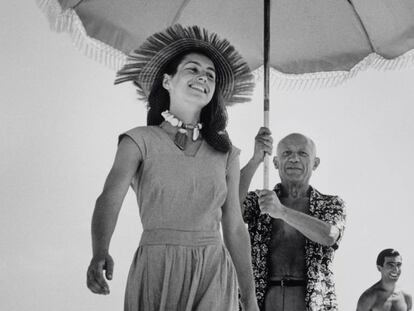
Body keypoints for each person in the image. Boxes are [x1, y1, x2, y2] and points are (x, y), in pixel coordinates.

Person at [86, 24, 259, 311]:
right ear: (167, 81)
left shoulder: (226, 152)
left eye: (210, 75)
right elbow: (110, 197)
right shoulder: (138, 140)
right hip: (157, 266)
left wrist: (250, 297)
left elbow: (235, 228)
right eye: (192, 69)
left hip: (213, 270)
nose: (203, 77)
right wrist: (99, 250)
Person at [239, 127, 346, 311]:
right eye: (287, 153)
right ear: (275, 161)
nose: (294, 159)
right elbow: (229, 205)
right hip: (262, 302)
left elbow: (329, 235)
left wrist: (282, 212)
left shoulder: (330, 204)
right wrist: (256, 158)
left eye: (302, 153)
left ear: (315, 163)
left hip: (315, 304)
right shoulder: (261, 201)